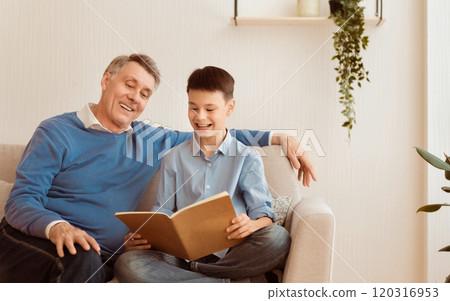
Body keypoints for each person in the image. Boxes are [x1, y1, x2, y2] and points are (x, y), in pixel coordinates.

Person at [0, 54, 316, 283]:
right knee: (86, 259)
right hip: (39, 241)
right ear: (107, 80)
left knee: (112, 263)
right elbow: (20, 201)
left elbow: (213, 133)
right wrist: (58, 227)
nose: (135, 97)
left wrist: (279, 137)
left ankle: (204, 282)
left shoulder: (148, 140)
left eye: (145, 93)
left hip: (101, 257)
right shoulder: (56, 131)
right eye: (130, 85)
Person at [114, 66, 292, 283]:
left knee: (278, 238)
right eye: (193, 108)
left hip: (234, 251)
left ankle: (199, 277)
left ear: (229, 107)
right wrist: (145, 235)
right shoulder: (173, 158)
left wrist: (252, 225)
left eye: (210, 109)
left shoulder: (246, 157)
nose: (200, 117)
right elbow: (163, 211)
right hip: (182, 257)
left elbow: (263, 213)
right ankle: (222, 283)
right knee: (127, 263)